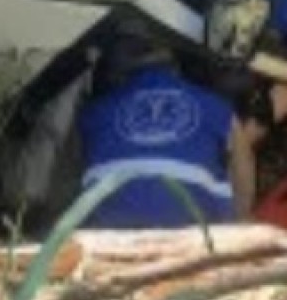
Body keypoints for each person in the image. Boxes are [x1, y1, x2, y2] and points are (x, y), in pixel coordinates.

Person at [77, 36, 250, 228]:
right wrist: (240, 219)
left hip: (113, 232)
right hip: (191, 226)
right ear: (176, 68)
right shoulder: (212, 104)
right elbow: (244, 162)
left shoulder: (94, 113)